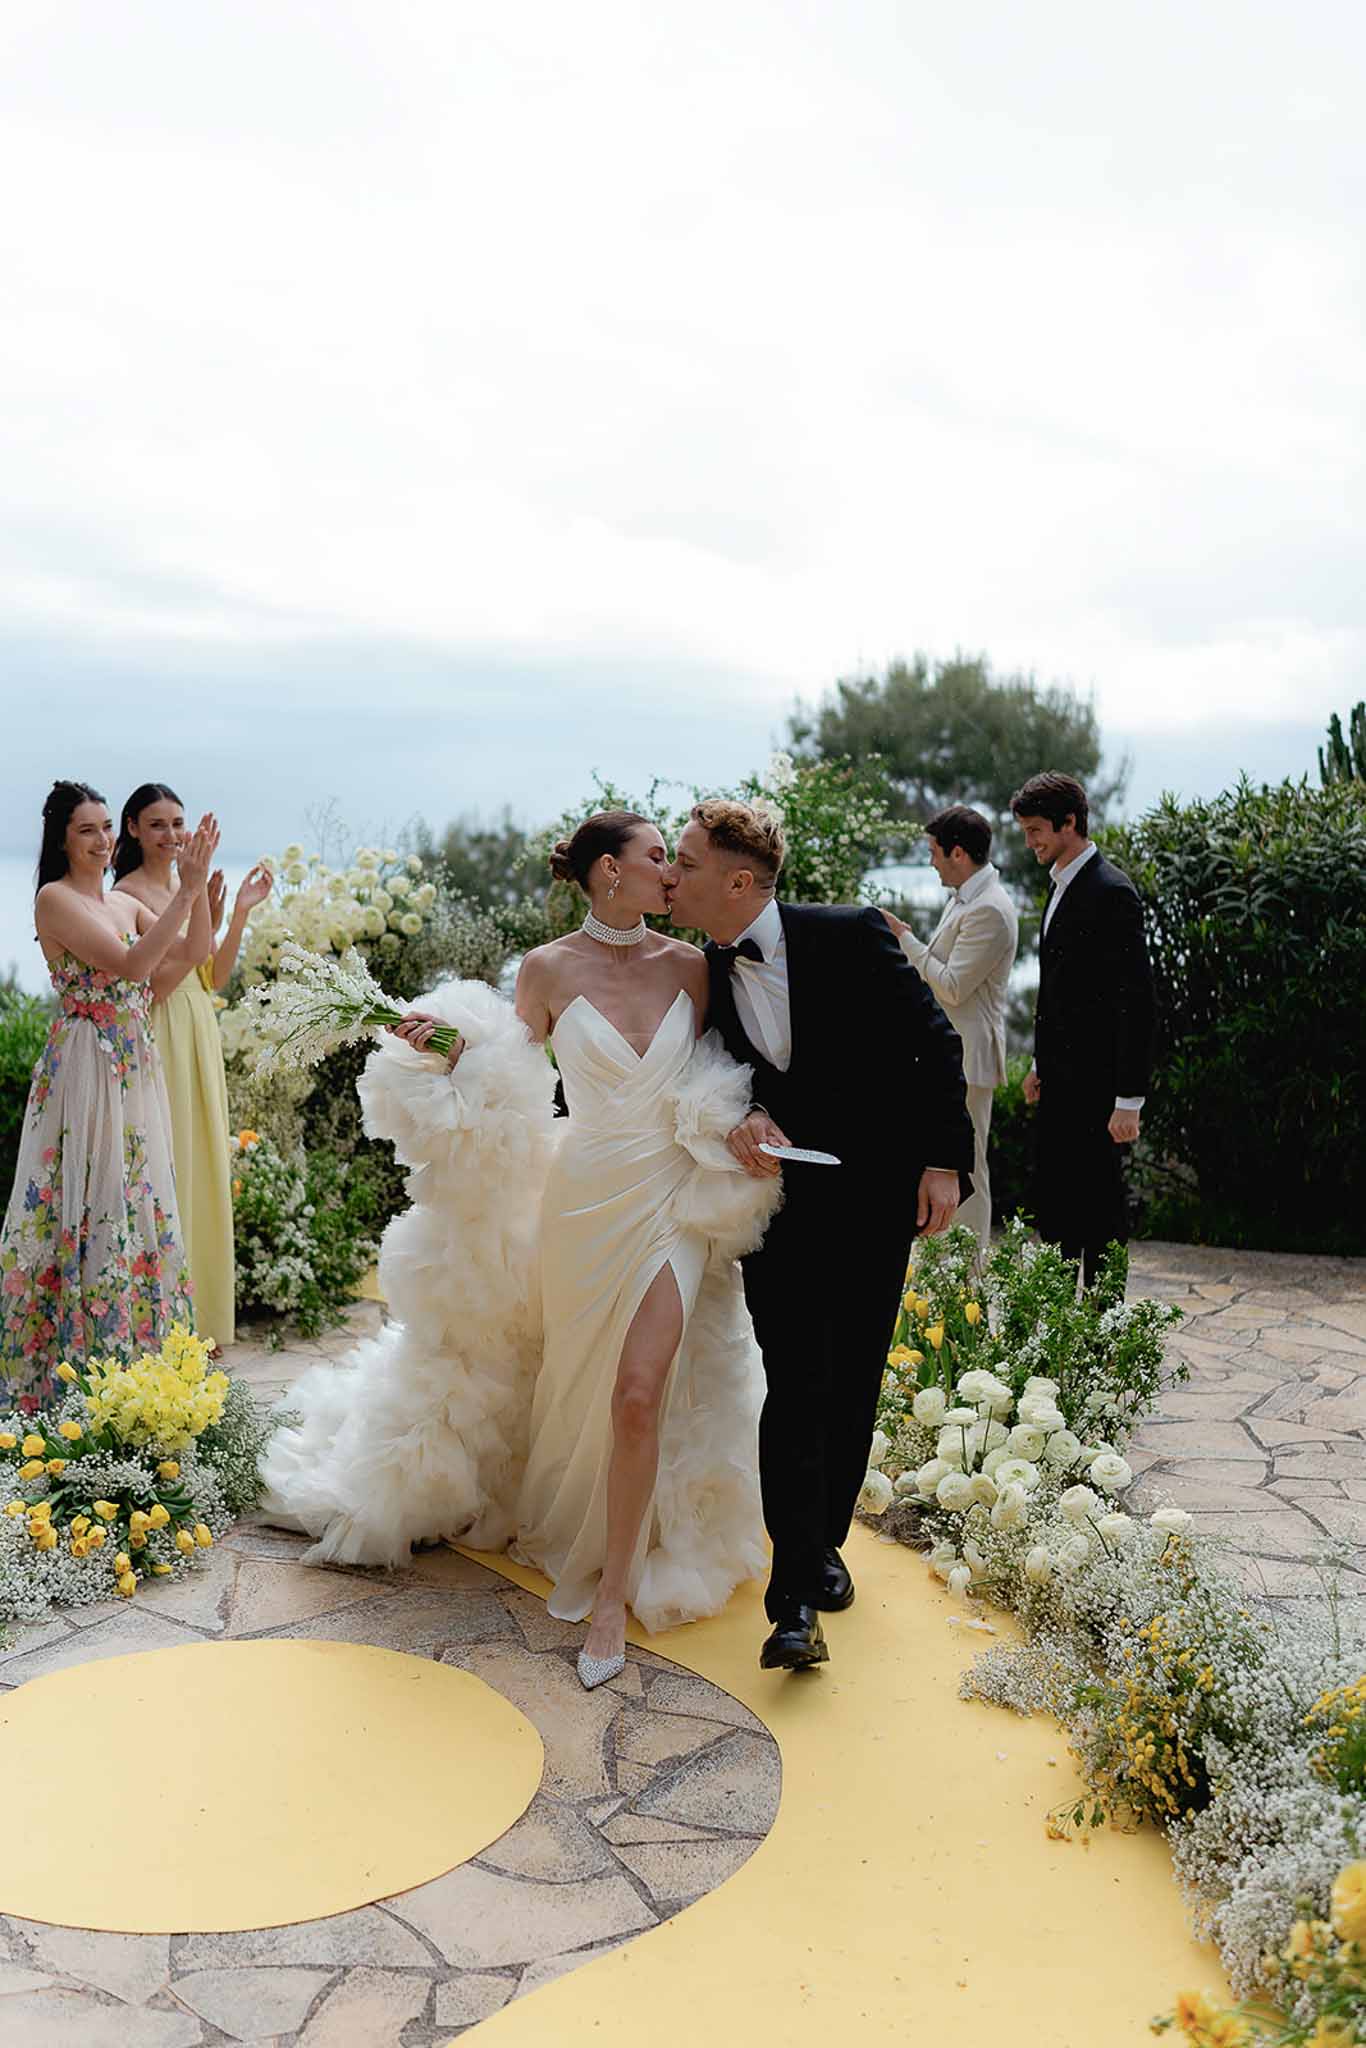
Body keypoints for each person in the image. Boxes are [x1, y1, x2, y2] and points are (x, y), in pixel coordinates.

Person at [260, 812, 776, 1688]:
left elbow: (737, 1070)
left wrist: (751, 1119)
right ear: (609, 871)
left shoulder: (695, 967)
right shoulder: (545, 970)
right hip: (581, 1208)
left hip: (670, 1200)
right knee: (580, 1388)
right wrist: (449, 1050)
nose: (672, 872)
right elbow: (506, 1070)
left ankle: (610, 1594)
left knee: (640, 1390)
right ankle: (582, 1522)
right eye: (659, 857)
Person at [664, 799, 975, 1673]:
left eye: (684, 863)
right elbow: (708, 1074)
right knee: (796, 1381)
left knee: (851, 1380)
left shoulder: (850, 934)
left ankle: (822, 1543)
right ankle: (793, 1596)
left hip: (878, 1195)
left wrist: (945, 1161)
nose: (670, 876)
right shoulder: (697, 971)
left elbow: (936, 1041)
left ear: (737, 880)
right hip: (778, 1207)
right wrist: (744, 1112)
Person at [0, 782, 214, 1406]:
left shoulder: (122, 904)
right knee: (88, 1198)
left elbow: (194, 952)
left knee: (139, 1195)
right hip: (86, 1066)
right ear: (63, 839)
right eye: (87, 830)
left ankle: (137, 1365)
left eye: (104, 829)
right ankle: (70, 1369)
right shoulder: (55, 899)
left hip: (132, 1066)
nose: (102, 841)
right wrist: (188, 891)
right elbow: (133, 967)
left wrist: (193, 889)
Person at [112, 784, 271, 1350]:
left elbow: (214, 973)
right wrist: (195, 896)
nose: (172, 835)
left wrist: (237, 913)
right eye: (157, 824)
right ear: (131, 829)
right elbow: (156, 980)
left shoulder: (185, 886)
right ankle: (165, 1322)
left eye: (178, 823)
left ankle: (203, 1320)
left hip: (199, 1025)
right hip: (161, 1029)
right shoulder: (127, 893)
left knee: (203, 1164)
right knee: (169, 1165)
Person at [1010, 771, 1154, 1286]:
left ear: (1069, 822)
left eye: (1035, 831)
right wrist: (1037, 1064)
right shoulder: (1061, 888)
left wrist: (1129, 1099)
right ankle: (1061, 1332)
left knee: (1101, 1219)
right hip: (1061, 1084)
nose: (1030, 843)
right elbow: (1059, 994)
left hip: (1098, 1091)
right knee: (1058, 1208)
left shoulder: (1112, 892)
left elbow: (1134, 1001)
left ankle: (1102, 1337)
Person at [880, 805, 1019, 1246]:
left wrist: (903, 937)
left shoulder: (990, 909)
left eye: (934, 852)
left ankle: (967, 1282)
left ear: (957, 853)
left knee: (969, 1175)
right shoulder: (968, 898)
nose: (931, 863)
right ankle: (945, 1282)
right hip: (949, 1058)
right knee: (942, 1167)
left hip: (970, 1059)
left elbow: (954, 986)